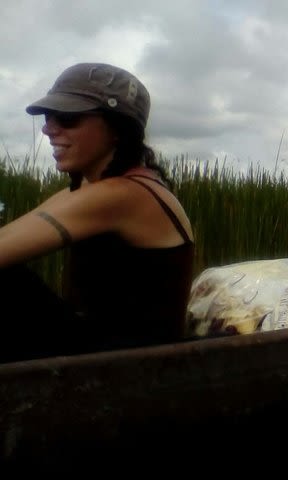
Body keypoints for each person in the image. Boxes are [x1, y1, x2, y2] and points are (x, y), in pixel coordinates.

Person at [0, 63, 195, 363]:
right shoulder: (95, 192)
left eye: (66, 118)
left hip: (128, 366)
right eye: (49, 117)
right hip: (100, 350)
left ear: (118, 128)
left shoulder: (122, 195)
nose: (49, 129)